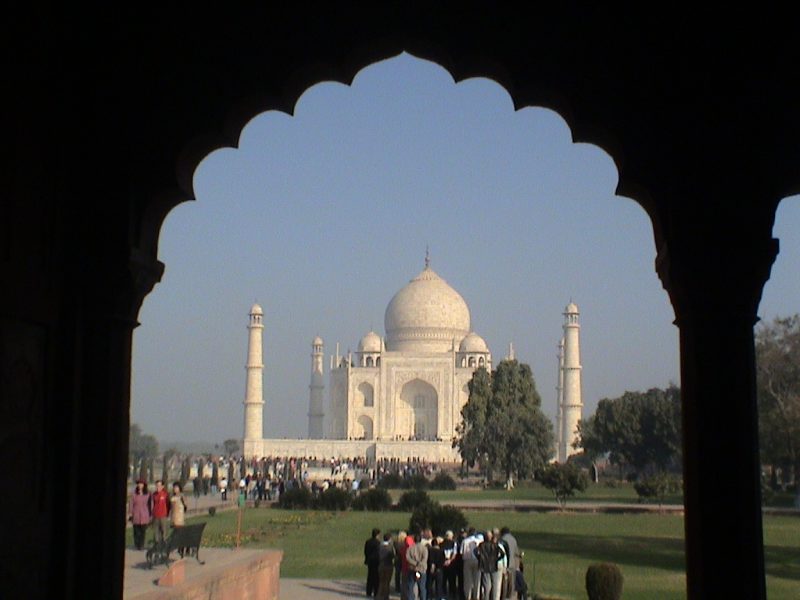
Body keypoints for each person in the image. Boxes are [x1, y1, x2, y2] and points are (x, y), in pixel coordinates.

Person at [476, 530, 504, 600]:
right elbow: (503, 553)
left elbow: (475, 551)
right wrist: (497, 559)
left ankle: (486, 598)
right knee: (495, 584)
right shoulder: (495, 545)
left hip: (485, 565)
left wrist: (479, 558)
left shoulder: (481, 545)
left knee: (486, 585)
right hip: (493, 565)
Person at [129, 479, 151, 550]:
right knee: (136, 531)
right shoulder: (134, 494)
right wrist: (130, 513)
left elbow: (150, 504)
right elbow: (131, 504)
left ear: (144, 485)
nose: (140, 485)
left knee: (143, 531)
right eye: (138, 484)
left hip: (144, 514)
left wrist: (150, 514)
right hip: (136, 514)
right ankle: (137, 544)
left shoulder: (148, 494)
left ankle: (141, 545)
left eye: (141, 484)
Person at [406, 533, 429, 600]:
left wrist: (414, 563)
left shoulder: (410, 548)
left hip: (412, 568)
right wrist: (419, 564)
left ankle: (410, 598)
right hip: (422, 569)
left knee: (411, 586)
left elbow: (408, 557)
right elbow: (425, 558)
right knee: (422, 586)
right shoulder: (424, 548)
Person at [499, 527, 521, 599]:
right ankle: (511, 596)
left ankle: (503, 596)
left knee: (504, 581)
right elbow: (516, 552)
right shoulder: (513, 539)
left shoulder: (502, 539)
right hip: (512, 563)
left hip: (504, 563)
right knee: (511, 582)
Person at [461, 528, 482, 600]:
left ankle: (468, 596)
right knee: (477, 580)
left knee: (467, 581)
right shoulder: (479, 541)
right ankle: (476, 596)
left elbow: (461, 552)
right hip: (477, 560)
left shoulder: (465, 541)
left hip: (467, 560)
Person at [149, 479, 170, 545]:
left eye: (159, 485)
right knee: (156, 531)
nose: (158, 487)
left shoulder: (166, 494)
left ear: (162, 486)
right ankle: (157, 544)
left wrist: (167, 514)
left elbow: (168, 504)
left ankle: (164, 543)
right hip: (155, 516)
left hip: (163, 515)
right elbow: (152, 504)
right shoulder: (154, 494)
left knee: (164, 531)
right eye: (157, 485)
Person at [377, 532, 396, 600]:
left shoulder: (379, 546)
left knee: (381, 581)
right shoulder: (390, 547)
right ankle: (385, 596)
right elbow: (393, 555)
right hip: (388, 565)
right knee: (387, 582)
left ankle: (379, 595)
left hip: (381, 565)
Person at [364, 528, 382, 597]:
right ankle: (376, 592)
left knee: (370, 576)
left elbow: (365, 551)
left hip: (369, 561)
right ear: (377, 535)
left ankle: (368, 591)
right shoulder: (378, 543)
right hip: (376, 561)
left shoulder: (368, 541)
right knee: (376, 577)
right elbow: (378, 553)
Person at [394, 530, 407, 596]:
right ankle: (403, 587)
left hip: (397, 559)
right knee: (404, 574)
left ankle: (397, 587)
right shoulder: (404, 543)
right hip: (402, 559)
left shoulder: (396, 543)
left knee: (397, 574)